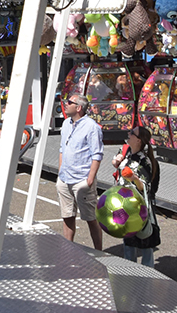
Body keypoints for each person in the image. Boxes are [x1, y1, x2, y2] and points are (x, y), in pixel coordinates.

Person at [58, 94, 104, 251]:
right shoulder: (65, 124)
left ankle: (99, 252)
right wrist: (60, 172)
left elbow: (97, 154)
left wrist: (90, 179)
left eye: (69, 102)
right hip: (65, 179)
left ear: (78, 108)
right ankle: (68, 250)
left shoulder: (92, 127)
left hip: (81, 180)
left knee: (90, 218)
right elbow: (62, 149)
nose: (65, 104)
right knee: (67, 216)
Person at [112, 125, 160, 266]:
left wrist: (134, 178)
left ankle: (147, 275)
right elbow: (117, 167)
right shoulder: (126, 152)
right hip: (125, 205)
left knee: (145, 243)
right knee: (129, 243)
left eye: (132, 133)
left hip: (139, 207)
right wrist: (116, 162)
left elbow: (146, 187)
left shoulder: (145, 161)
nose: (129, 134)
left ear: (139, 140)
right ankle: (130, 273)